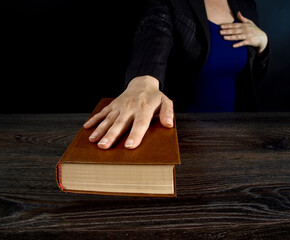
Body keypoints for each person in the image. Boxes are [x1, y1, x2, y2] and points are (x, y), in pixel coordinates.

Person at [83, 0, 270, 150]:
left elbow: (251, 80)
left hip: (236, 138)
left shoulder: (246, 5)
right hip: (181, 138)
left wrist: (263, 45)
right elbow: (154, 33)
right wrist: (143, 83)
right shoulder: (169, 3)